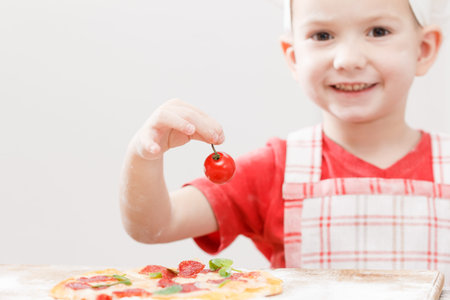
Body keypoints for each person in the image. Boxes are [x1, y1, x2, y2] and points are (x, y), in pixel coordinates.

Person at [119, 0, 450, 282]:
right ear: (293, 57)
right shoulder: (274, 169)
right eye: (322, 35)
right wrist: (144, 154)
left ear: (424, 49)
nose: (348, 59)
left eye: (378, 32)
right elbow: (155, 226)